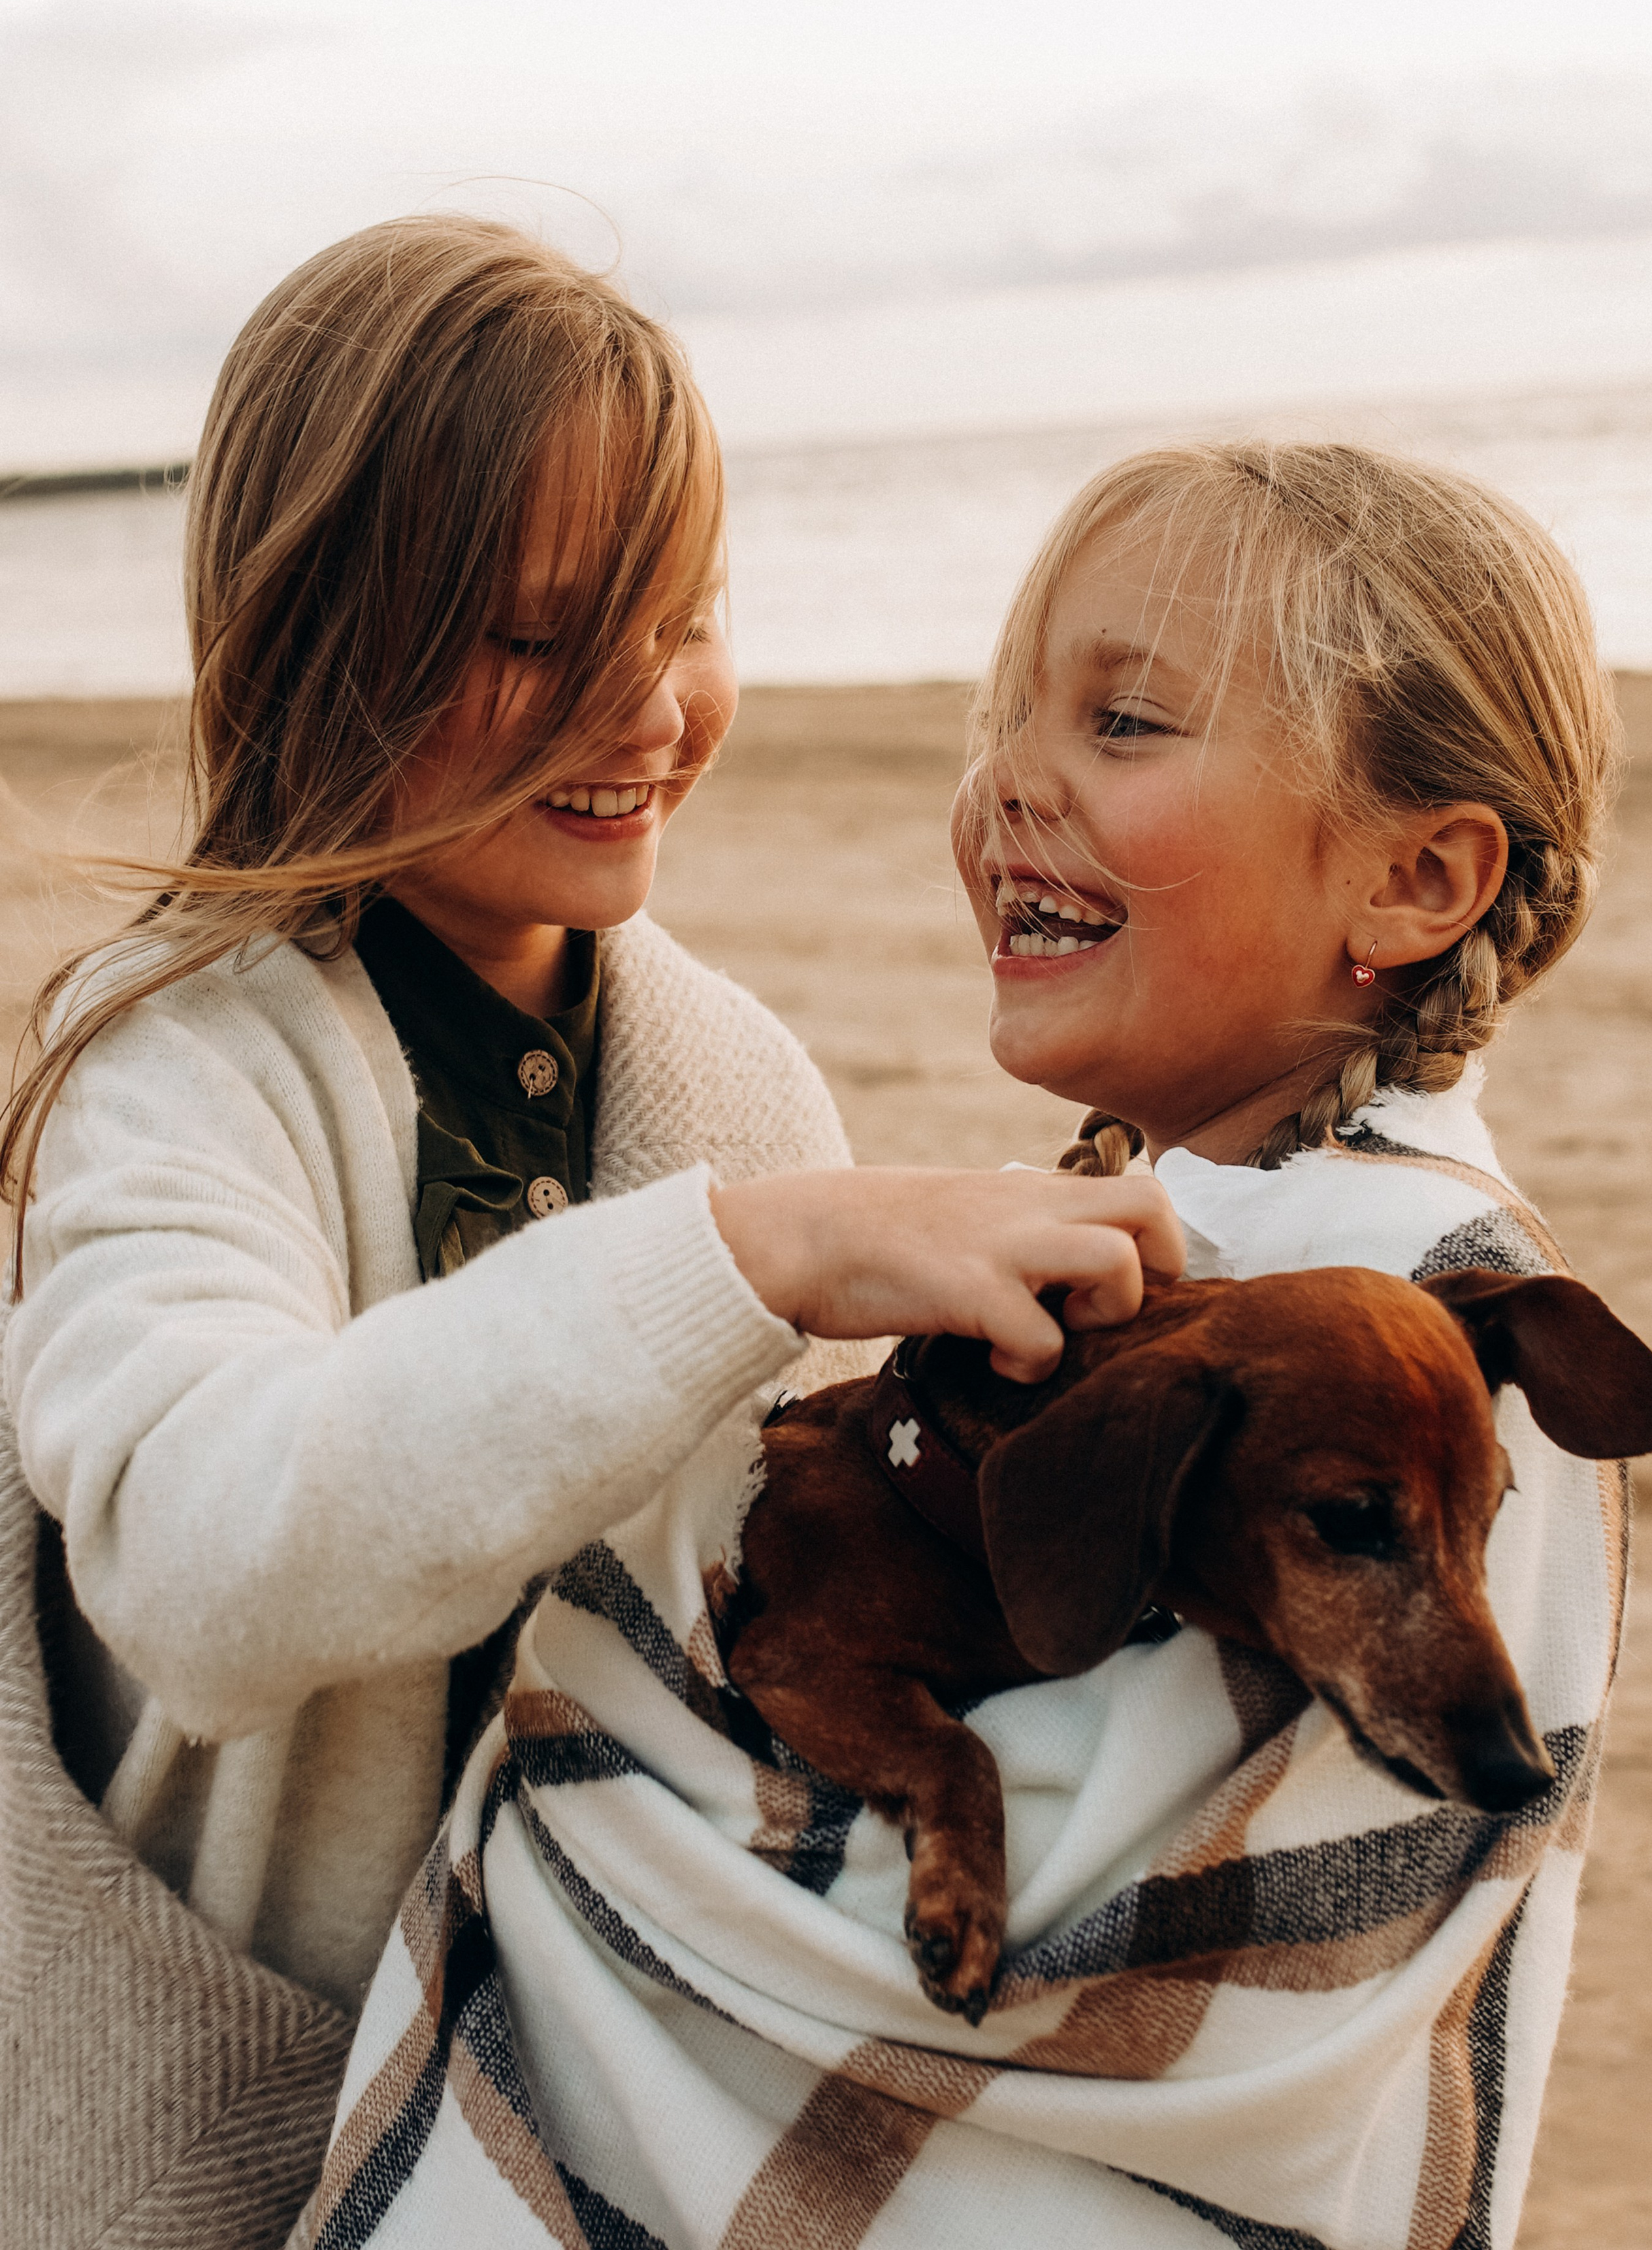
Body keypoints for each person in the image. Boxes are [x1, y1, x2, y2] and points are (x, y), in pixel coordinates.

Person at [0, 216, 1180, 2249]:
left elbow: (784, 1619)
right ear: (311, 643)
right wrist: (748, 1260)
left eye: (689, 616)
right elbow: (203, 1574)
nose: (655, 708)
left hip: (598, 2113)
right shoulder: (177, 1067)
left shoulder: (729, 1078)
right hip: (224, 2143)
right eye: (544, 638)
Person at [311, 439, 1630, 2250]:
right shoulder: (1156, 1219)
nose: (1010, 783)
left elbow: (1116, 1941)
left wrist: (610, 1692)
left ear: (1417, 881)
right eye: (1004, 719)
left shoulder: (1412, 1307)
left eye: (1128, 727)